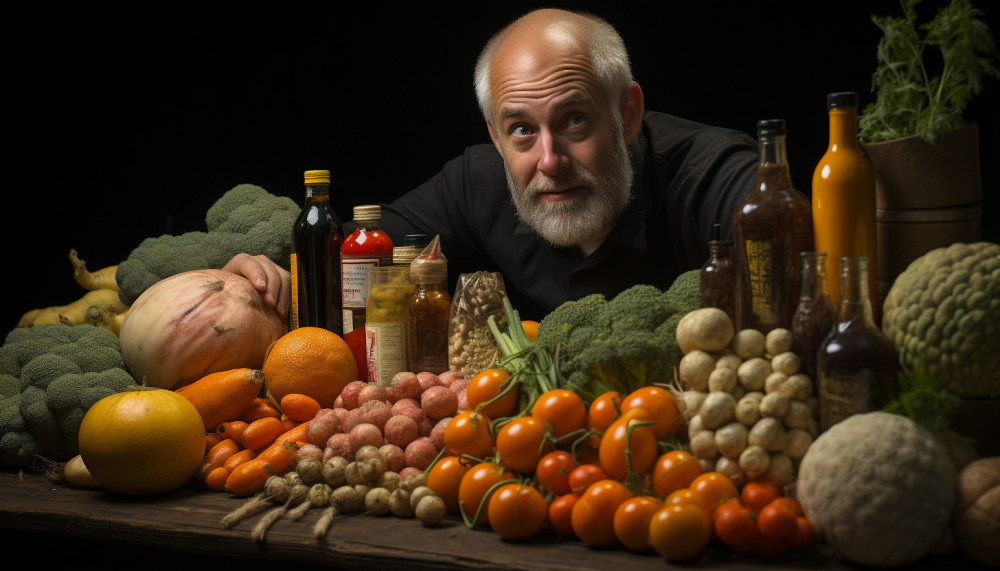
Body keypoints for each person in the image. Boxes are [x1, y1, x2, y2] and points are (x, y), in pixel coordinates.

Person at [229, 8, 758, 321]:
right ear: (495, 135)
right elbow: (352, 251)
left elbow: (797, 259)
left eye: (574, 120)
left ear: (627, 114)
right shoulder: (475, 183)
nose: (549, 160)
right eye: (522, 129)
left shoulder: (714, 175)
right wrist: (269, 274)